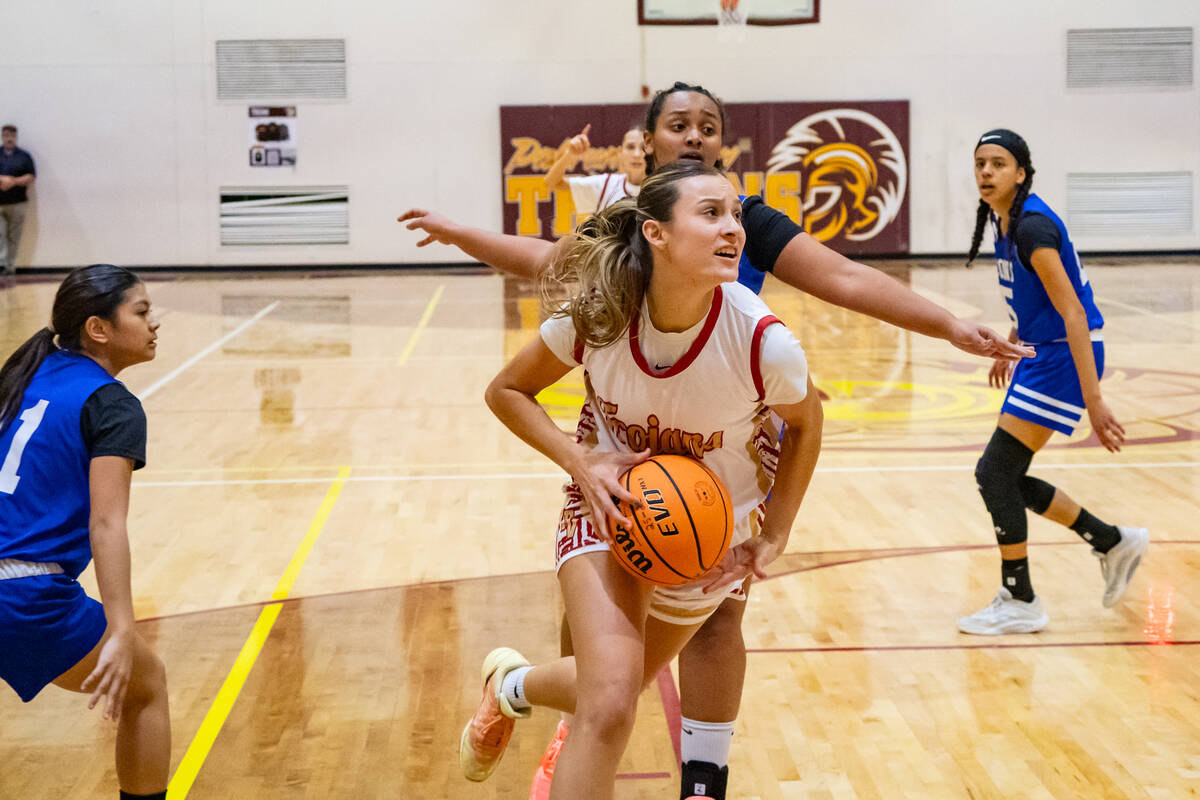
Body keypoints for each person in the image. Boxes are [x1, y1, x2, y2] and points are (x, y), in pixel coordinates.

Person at [399, 81, 1032, 800]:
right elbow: (544, 268)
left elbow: (844, 278)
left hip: (723, 455)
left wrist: (950, 325)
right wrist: (459, 237)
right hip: (624, 461)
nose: (696, 135)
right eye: (679, 125)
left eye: (709, 126)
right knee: (607, 686)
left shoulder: (752, 257)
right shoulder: (615, 253)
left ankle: (685, 770)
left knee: (696, 633)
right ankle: (573, 731)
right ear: (649, 148)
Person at [458, 160, 823, 800]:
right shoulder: (601, 315)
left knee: (615, 683)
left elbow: (808, 423)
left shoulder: (763, 341)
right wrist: (581, 461)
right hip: (606, 508)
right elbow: (507, 390)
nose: (733, 228)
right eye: (711, 213)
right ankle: (517, 693)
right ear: (656, 232)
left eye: (735, 215)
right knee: (609, 704)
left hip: (704, 533)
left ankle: (510, 685)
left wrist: (776, 532)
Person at [956, 129, 1149, 635]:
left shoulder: (1031, 227)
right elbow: (1034, 297)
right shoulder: (1010, 220)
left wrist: (1096, 400)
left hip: (1065, 356)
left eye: (998, 163)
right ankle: (1110, 540)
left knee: (994, 473)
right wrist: (1014, 340)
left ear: (1021, 172)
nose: (986, 172)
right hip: (1043, 353)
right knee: (1005, 476)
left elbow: (1073, 312)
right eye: (980, 163)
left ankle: (1020, 599)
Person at [0, 264, 171, 800]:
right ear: (99, 328)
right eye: (141, 312)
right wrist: (122, 629)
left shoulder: (27, 375)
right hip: (25, 596)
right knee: (147, 688)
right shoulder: (112, 403)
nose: (153, 324)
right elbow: (106, 522)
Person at [542, 124, 646, 216]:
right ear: (620, 152)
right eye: (630, 147)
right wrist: (570, 154)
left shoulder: (660, 188)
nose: (636, 154)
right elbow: (551, 183)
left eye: (643, 148)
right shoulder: (607, 184)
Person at [0, 125, 37, 275]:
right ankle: (1, 264)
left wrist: (13, 181)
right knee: (0, 234)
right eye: (6, 135)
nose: (9, 138)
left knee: (14, 236)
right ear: (2, 136)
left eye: (12, 136)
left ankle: (10, 266)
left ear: (16, 137)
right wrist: (3, 178)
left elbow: (31, 177)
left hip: (18, 203)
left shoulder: (24, 156)